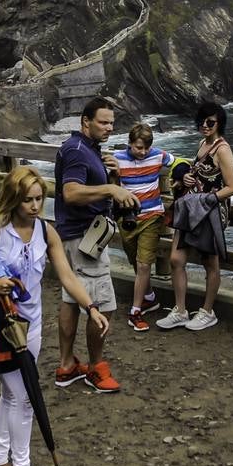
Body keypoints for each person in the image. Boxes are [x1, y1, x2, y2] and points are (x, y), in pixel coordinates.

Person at [0, 166, 110, 466]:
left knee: (11, 395)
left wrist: (91, 306)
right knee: (22, 397)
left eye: (39, 199)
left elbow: (67, 275)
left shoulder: (46, 232)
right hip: (0, 326)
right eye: (27, 200)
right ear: (13, 198)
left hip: (31, 327)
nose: (35, 206)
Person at [53, 96, 140, 393]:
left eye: (112, 123)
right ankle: (95, 367)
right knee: (104, 305)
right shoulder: (77, 151)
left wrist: (111, 175)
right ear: (85, 122)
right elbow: (71, 193)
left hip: (71, 236)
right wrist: (111, 188)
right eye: (102, 122)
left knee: (70, 300)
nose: (109, 128)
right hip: (83, 240)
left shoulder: (86, 149)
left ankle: (66, 366)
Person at [156, 101, 233, 332]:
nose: (205, 125)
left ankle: (207, 311)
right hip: (191, 209)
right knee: (176, 259)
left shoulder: (222, 149)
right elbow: (202, 173)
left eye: (210, 122)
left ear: (219, 123)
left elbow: (232, 187)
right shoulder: (203, 143)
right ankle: (181, 310)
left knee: (210, 262)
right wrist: (186, 178)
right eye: (202, 121)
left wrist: (208, 199)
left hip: (208, 213)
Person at [113, 123, 172, 331]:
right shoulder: (117, 159)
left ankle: (135, 311)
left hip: (152, 216)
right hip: (128, 218)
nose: (143, 152)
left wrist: (185, 175)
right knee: (137, 263)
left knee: (145, 264)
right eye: (139, 147)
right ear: (130, 144)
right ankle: (149, 298)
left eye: (146, 147)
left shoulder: (159, 155)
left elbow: (177, 163)